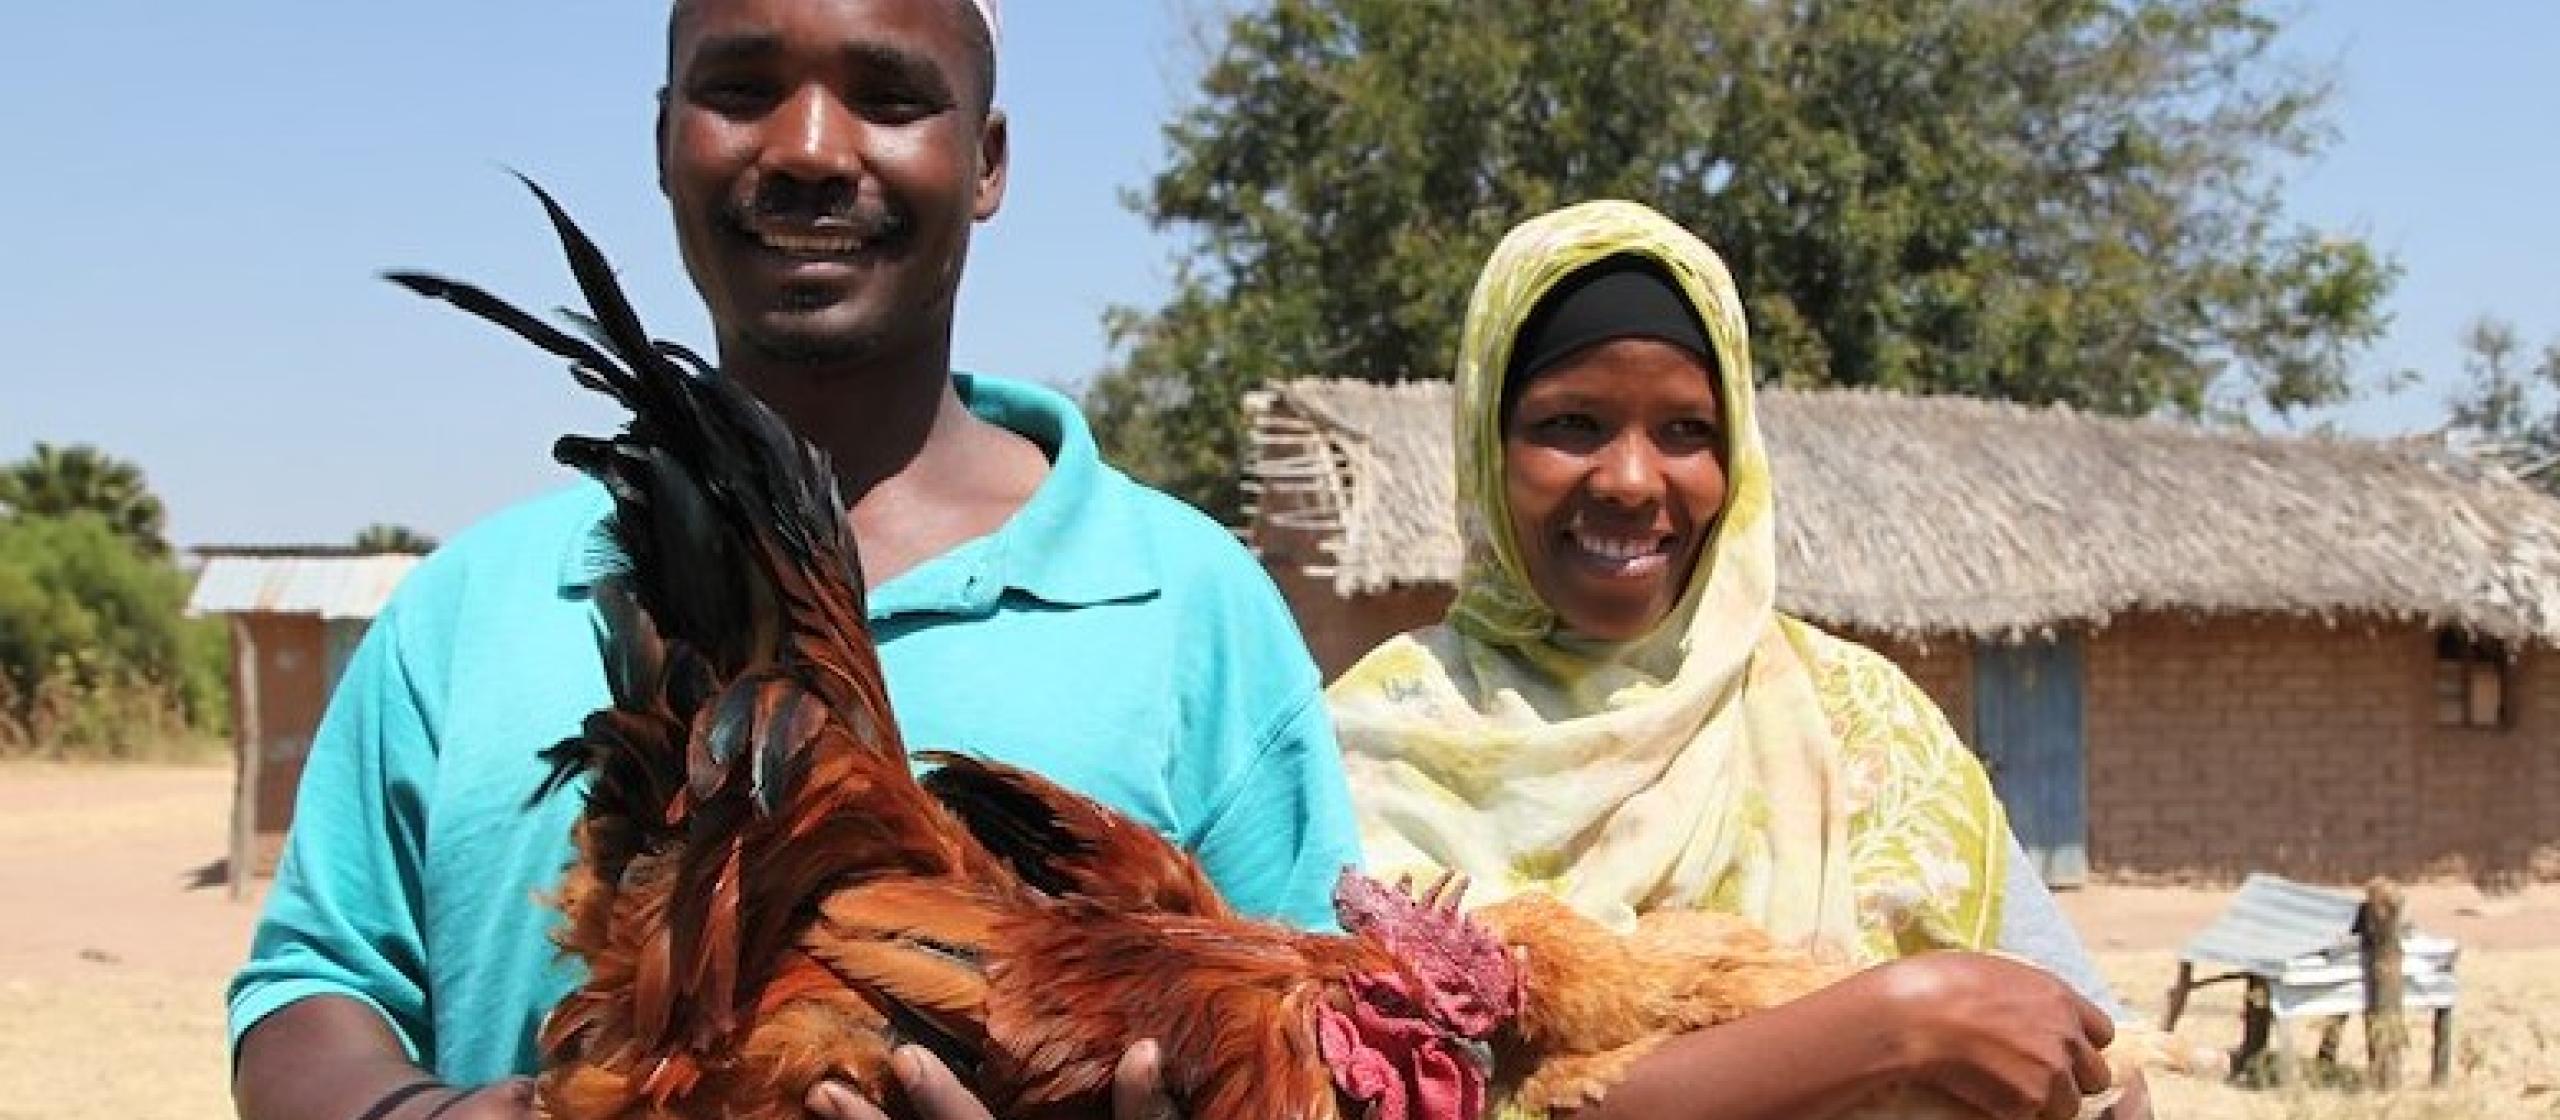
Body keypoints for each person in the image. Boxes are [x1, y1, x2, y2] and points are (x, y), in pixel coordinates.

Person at [227, 3, 1361, 1120]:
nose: (811, 148)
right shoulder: (462, 612)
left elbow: (1321, 1048)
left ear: (987, 159)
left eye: (890, 96)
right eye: (740, 89)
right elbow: (309, 991)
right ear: (663, 140)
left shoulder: (1194, 608)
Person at [1327, 200, 2149, 1120]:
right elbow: (1410, 1091)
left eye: (1686, 431)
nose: (1632, 480)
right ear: (1488, 443)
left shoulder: (1853, 714)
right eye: (1570, 424)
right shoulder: (1377, 744)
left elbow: (2083, 1046)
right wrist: (1893, 1025)